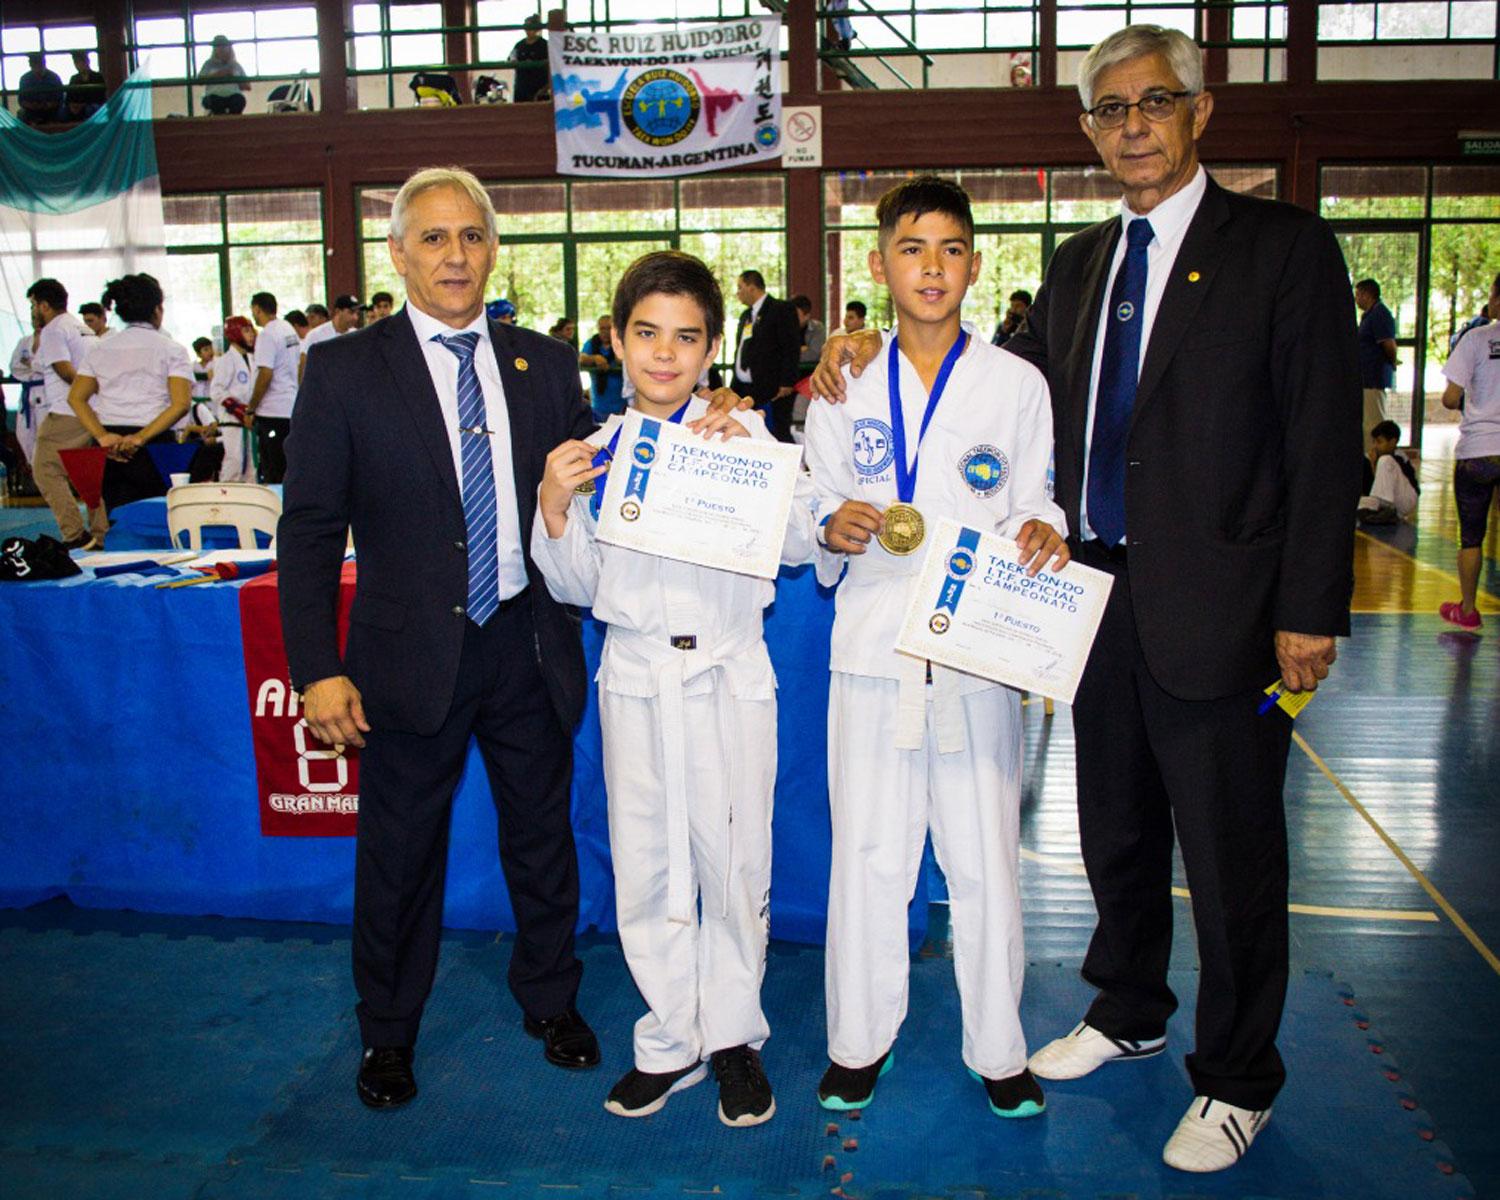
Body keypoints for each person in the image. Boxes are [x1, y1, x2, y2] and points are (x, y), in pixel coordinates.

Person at [812, 25, 1360, 1172]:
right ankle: (1126, 1006)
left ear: (1200, 113)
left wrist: (1311, 606)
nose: (1135, 125)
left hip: (1222, 597)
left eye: (1156, 102)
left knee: (1231, 850)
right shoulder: (1076, 265)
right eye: (1111, 110)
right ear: (1090, 131)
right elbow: (1021, 429)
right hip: (1081, 595)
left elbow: (1321, 441)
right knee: (1114, 826)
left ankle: (1238, 1079)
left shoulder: (1279, 248)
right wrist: (844, 354)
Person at [277, 165, 602, 1113]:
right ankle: (387, 1030)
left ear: (494, 249)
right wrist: (318, 668)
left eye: (471, 237)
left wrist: (708, 427)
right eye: (434, 238)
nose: (455, 256)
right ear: (399, 252)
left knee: (543, 838)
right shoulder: (342, 370)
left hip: (525, 640)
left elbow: (611, 472)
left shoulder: (544, 363)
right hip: (404, 656)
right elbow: (307, 531)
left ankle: (551, 1000)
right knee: (400, 851)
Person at [532, 250, 816, 1128]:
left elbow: (803, 545)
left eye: (686, 338)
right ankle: (669, 1039)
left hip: (728, 668)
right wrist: (552, 501)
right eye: (646, 334)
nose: (664, 355)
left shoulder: (745, 434)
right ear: (615, 341)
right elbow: (575, 586)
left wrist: (758, 471)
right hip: (636, 672)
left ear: (712, 347)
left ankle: (733, 1037)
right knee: (648, 866)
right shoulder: (593, 453)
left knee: (734, 863)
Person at [804, 176, 1065, 1122]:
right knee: (868, 855)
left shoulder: (1016, 385)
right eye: (912, 249)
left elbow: (1035, 496)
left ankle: (1001, 1050)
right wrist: (830, 523)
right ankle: (856, 1044)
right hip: (872, 646)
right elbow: (810, 499)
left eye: (951, 250)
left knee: (987, 858)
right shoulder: (842, 382)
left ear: (976, 266)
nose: (932, 268)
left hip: (977, 654)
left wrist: (1044, 528)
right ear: (879, 263)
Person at [65, 273, 192, 519]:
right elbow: (180, 404)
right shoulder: (172, 349)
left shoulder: (101, 348)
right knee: (159, 519)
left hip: (110, 443)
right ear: (157, 310)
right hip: (153, 441)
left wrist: (101, 436)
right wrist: (139, 438)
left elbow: (76, 398)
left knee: (119, 519)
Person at [1437, 272, 1500, 633]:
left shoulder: (1476, 339)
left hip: (1478, 451)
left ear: (1496, 299)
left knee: (1472, 537)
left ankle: (1469, 608)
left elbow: (1448, 397)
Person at [25, 278, 107, 550]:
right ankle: (100, 533)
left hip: (67, 410)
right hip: (93, 410)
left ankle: (75, 534)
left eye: (34, 304)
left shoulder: (53, 329)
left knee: (44, 470)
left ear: (44, 305)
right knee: (86, 473)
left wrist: (84, 393)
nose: (33, 310)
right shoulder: (82, 328)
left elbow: (64, 370)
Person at [732, 270, 801, 442]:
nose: (738, 293)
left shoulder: (781, 309)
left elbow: (791, 347)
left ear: (752, 287)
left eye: (740, 287)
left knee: (778, 432)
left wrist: (787, 381)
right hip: (745, 387)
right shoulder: (746, 316)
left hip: (774, 387)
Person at [244, 291, 301, 483]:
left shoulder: (267, 334)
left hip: (272, 411)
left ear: (258, 309)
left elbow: (266, 374)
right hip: (290, 408)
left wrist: (251, 408)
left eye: (253, 310)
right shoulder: (288, 328)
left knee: (273, 470)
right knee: (287, 467)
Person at [209, 316, 258, 482]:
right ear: (235, 333)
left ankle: (250, 504)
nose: (251, 335)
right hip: (233, 421)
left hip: (250, 420)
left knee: (252, 467)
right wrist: (239, 411)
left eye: (251, 330)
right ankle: (224, 502)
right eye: (246, 330)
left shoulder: (253, 359)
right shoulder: (226, 360)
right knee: (234, 463)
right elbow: (216, 391)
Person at [1355, 278, 1398, 444]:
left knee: (1373, 423)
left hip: (1373, 378)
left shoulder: (1380, 314)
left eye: (1358, 295)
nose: (1356, 299)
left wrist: (1393, 362)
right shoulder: (1369, 315)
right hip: (1366, 378)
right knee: (1367, 422)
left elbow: (1389, 344)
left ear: (1367, 295)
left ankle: (1375, 460)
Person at [1357, 419, 1418, 526]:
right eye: (1374, 441)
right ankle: (1378, 511)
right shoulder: (1369, 458)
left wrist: (1376, 466)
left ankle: (1386, 509)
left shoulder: (1399, 458)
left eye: (1380, 442)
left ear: (1393, 442)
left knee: (1385, 460)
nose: (1375, 445)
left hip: (1403, 499)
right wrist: (1371, 465)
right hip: (1379, 502)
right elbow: (1368, 490)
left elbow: (1407, 485)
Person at [301, 294, 360, 381]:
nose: (355, 317)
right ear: (338, 311)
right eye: (351, 313)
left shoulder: (357, 335)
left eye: (357, 313)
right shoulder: (316, 335)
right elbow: (304, 364)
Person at [579, 314, 624, 421]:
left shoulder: (621, 343)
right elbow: (581, 358)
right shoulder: (592, 343)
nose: (605, 332)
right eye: (602, 328)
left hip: (622, 408)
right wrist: (594, 359)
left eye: (608, 328)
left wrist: (622, 359)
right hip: (598, 407)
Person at [199, 35, 251, 115]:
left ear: (228, 48)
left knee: (239, 101)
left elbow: (247, 86)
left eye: (223, 46)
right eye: (218, 46)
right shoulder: (208, 64)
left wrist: (234, 78)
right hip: (213, 96)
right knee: (215, 102)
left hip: (234, 96)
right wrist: (217, 75)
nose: (221, 49)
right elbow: (200, 80)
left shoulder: (236, 65)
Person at [511, 15, 550, 103]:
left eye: (530, 28)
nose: (528, 31)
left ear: (537, 29)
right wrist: (514, 61)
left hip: (539, 87)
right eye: (526, 28)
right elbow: (511, 58)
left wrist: (545, 88)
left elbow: (551, 65)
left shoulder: (544, 45)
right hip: (521, 87)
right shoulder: (519, 45)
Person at [17, 53, 64, 125]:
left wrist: (49, 105)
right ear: (30, 65)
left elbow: (60, 98)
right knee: (21, 114)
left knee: (61, 113)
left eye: (39, 63)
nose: (37, 67)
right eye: (34, 64)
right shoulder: (25, 79)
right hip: (31, 111)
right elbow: (21, 100)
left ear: (44, 64)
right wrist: (32, 105)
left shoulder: (54, 77)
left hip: (51, 110)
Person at [66, 51, 107, 119]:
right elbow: (69, 97)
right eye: (75, 62)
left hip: (92, 105)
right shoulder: (73, 78)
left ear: (87, 62)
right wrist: (72, 106)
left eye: (80, 62)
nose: (77, 65)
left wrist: (83, 105)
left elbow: (100, 97)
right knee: (63, 112)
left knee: (91, 109)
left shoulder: (97, 77)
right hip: (77, 107)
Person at [793, 295, 826, 367]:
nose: (791, 318)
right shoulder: (783, 327)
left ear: (807, 316)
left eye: (795, 316)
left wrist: (791, 353)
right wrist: (800, 349)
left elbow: (814, 355)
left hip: (809, 372)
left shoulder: (817, 328)